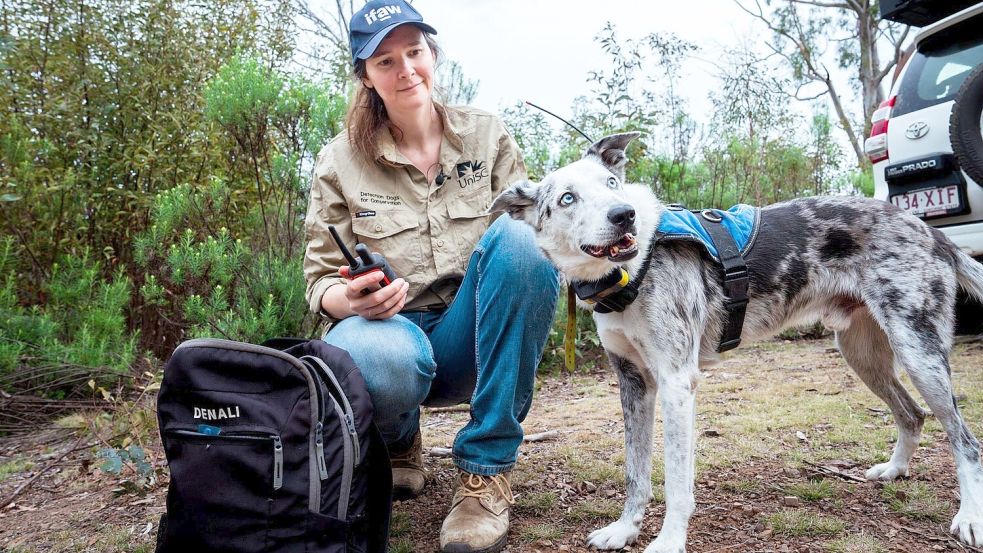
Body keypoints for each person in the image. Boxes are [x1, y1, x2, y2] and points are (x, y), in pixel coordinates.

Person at [302, 1, 560, 551]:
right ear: (366, 78)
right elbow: (319, 283)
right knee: (375, 355)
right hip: (390, 334)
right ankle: (397, 442)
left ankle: (486, 472)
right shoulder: (337, 161)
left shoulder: (488, 135)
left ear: (432, 54)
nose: (406, 70)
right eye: (386, 61)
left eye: (414, 52)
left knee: (524, 237)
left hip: (474, 336)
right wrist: (351, 300)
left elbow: (536, 247)